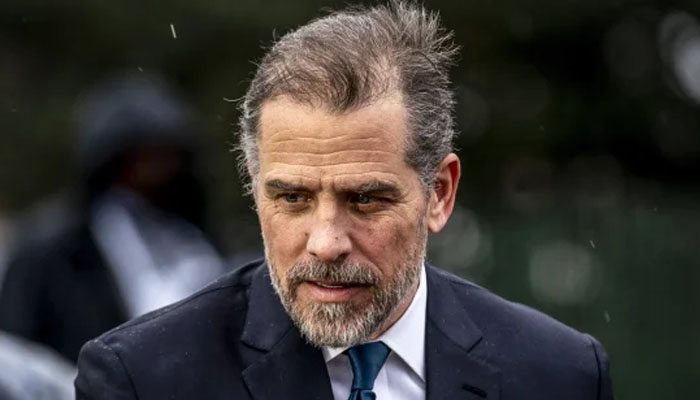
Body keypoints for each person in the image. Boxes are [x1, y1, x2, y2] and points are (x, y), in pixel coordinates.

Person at [75, 2, 614, 399]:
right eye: (292, 197)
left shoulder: (558, 373)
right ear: (254, 185)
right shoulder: (144, 379)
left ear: (439, 194)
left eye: (365, 199)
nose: (326, 242)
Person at [0, 75, 225, 363]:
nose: (160, 170)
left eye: (166, 156)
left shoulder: (191, 238)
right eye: (144, 158)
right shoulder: (52, 250)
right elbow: (18, 353)